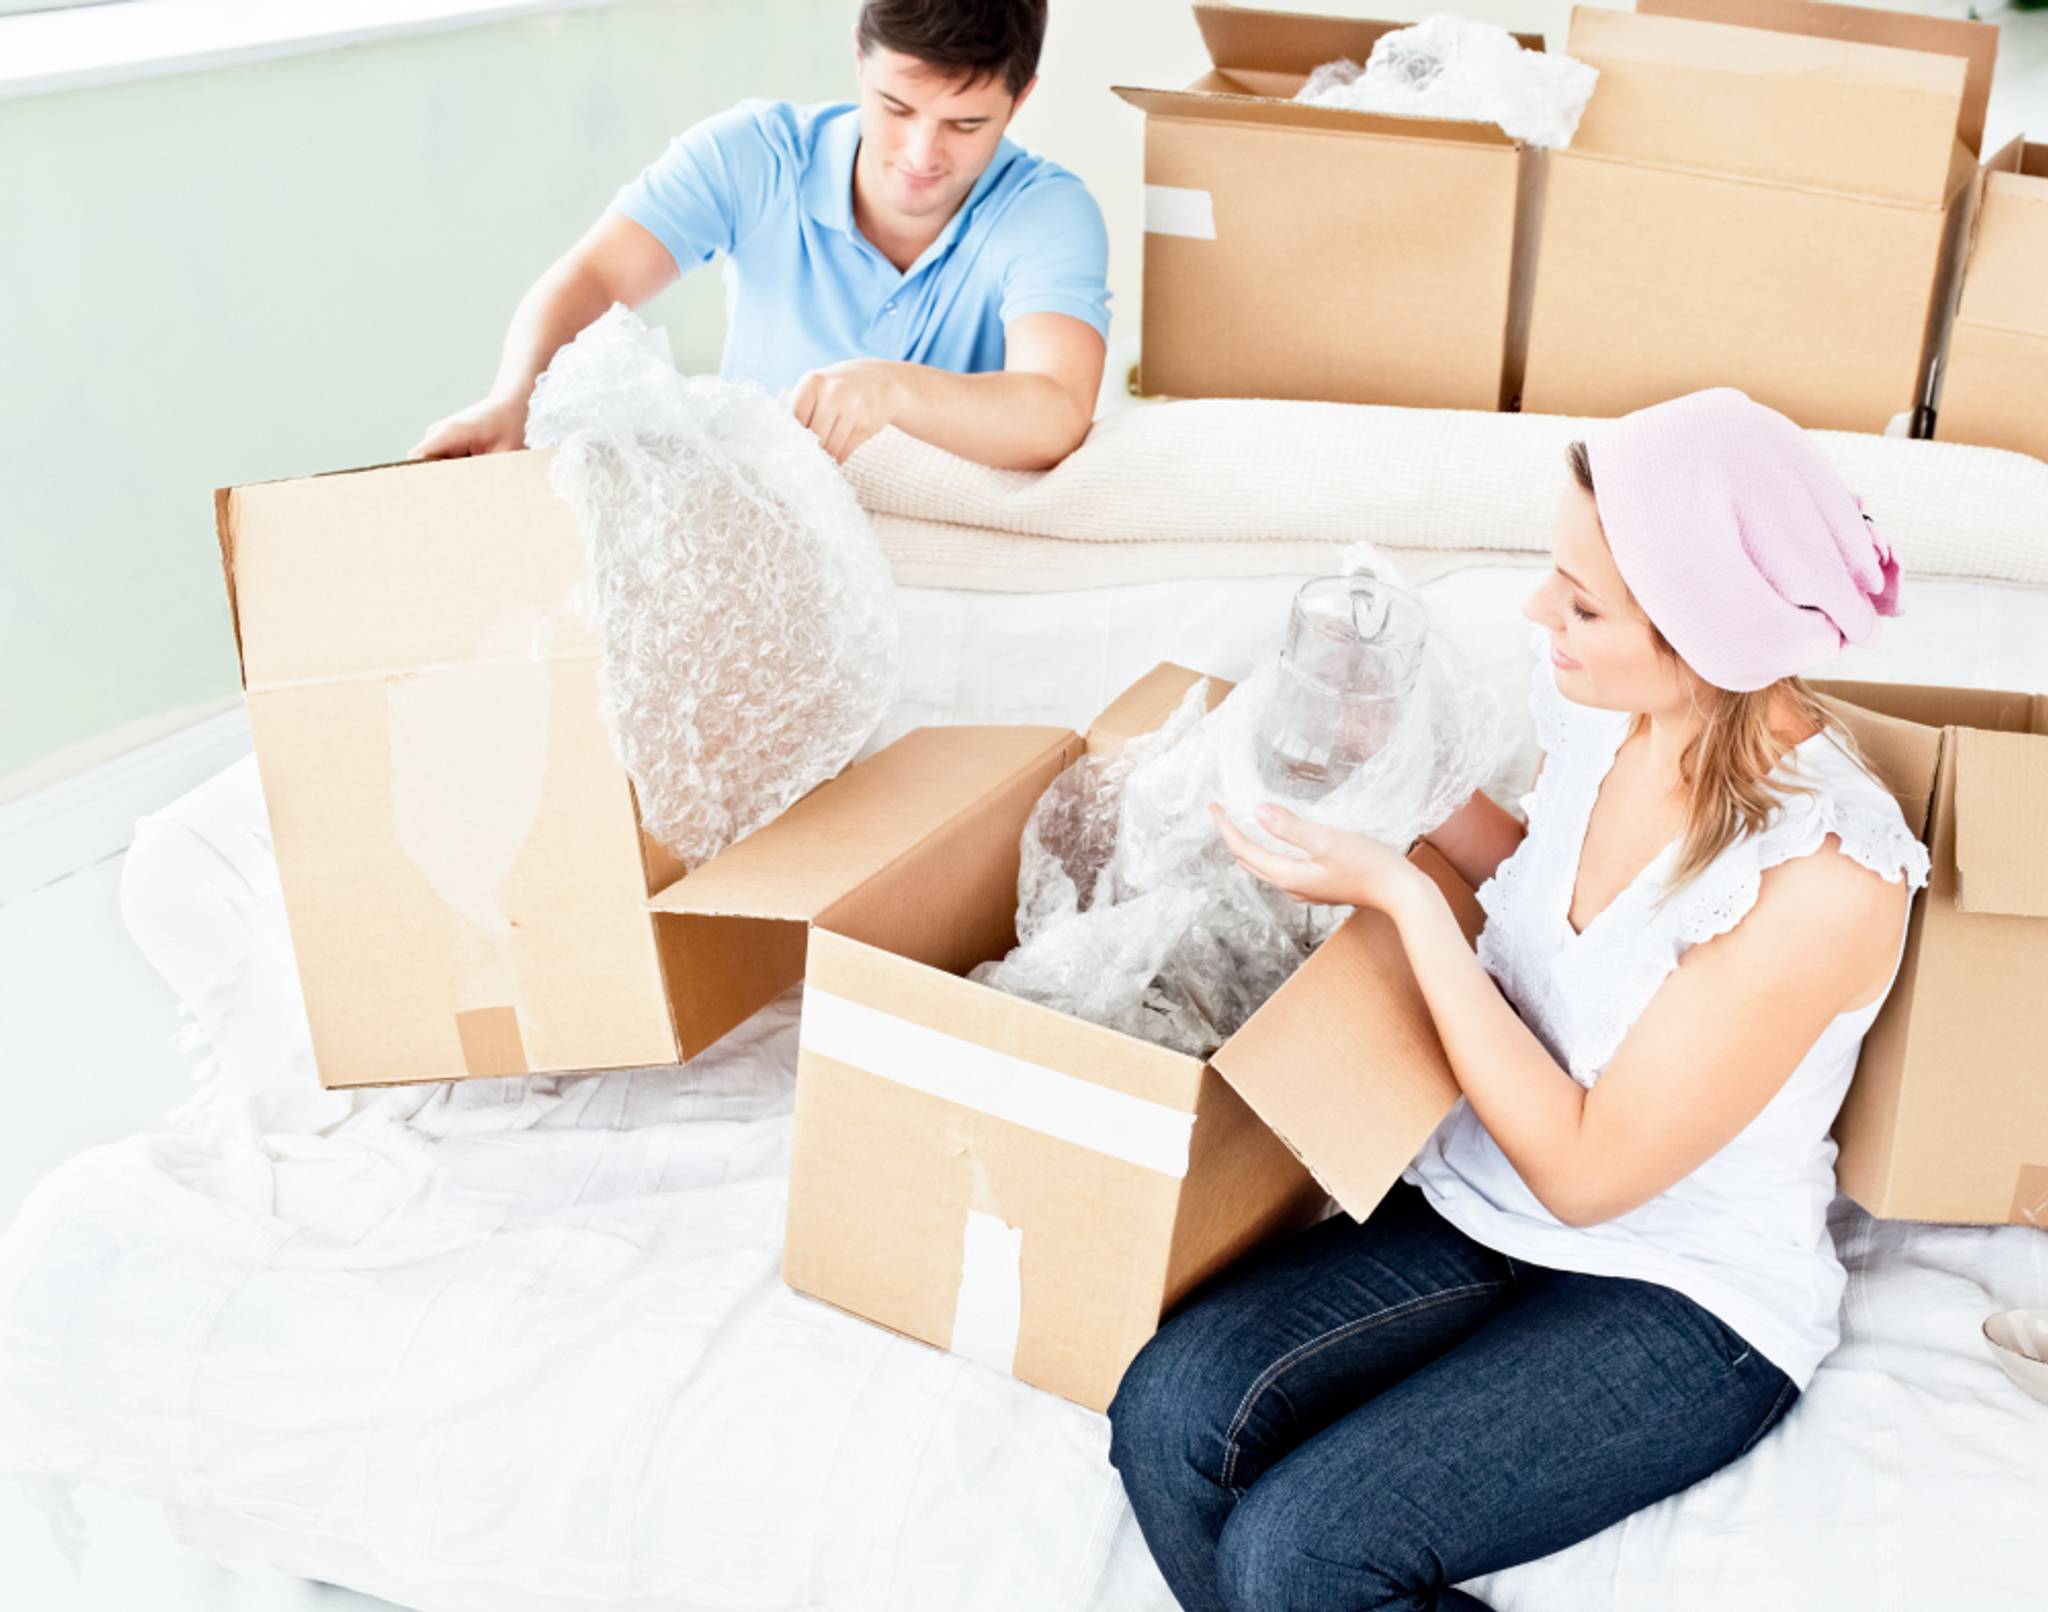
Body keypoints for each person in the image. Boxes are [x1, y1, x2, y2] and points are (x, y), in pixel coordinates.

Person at [1108, 387, 1930, 1612]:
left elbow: (1587, 1171)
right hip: (1482, 1193)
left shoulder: (1825, 874)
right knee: (1165, 1416)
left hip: (1680, 1288)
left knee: (1300, 1557)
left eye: (1582, 600)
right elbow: (1550, 900)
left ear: (1702, 635)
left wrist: (1400, 893)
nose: (1539, 611)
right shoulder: (1611, 710)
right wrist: (1403, 779)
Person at [410, 0, 1107, 471]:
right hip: (758, 522)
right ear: (859, 59)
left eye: (965, 125)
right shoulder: (756, 155)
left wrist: (893, 392)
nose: (921, 155)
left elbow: (1057, 407)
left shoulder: (1046, 212)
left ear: (1021, 99)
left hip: (941, 555)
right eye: (896, 107)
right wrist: (514, 397)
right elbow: (597, 277)